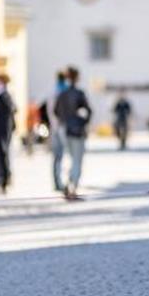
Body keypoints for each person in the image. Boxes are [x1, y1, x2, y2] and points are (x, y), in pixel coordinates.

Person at [53, 66, 91, 200]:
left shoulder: (61, 94)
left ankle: (65, 184)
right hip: (77, 131)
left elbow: (55, 111)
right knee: (76, 159)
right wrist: (82, 121)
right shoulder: (79, 93)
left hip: (64, 129)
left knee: (65, 158)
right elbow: (88, 112)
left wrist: (64, 120)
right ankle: (72, 186)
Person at [49, 72, 68, 192]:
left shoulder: (52, 92)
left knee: (57, 157)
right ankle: (60, 182)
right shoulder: (64, 92)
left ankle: (57, 181)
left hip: (54, 127)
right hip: (62, 127)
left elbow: (49, 111)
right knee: (62, 156)